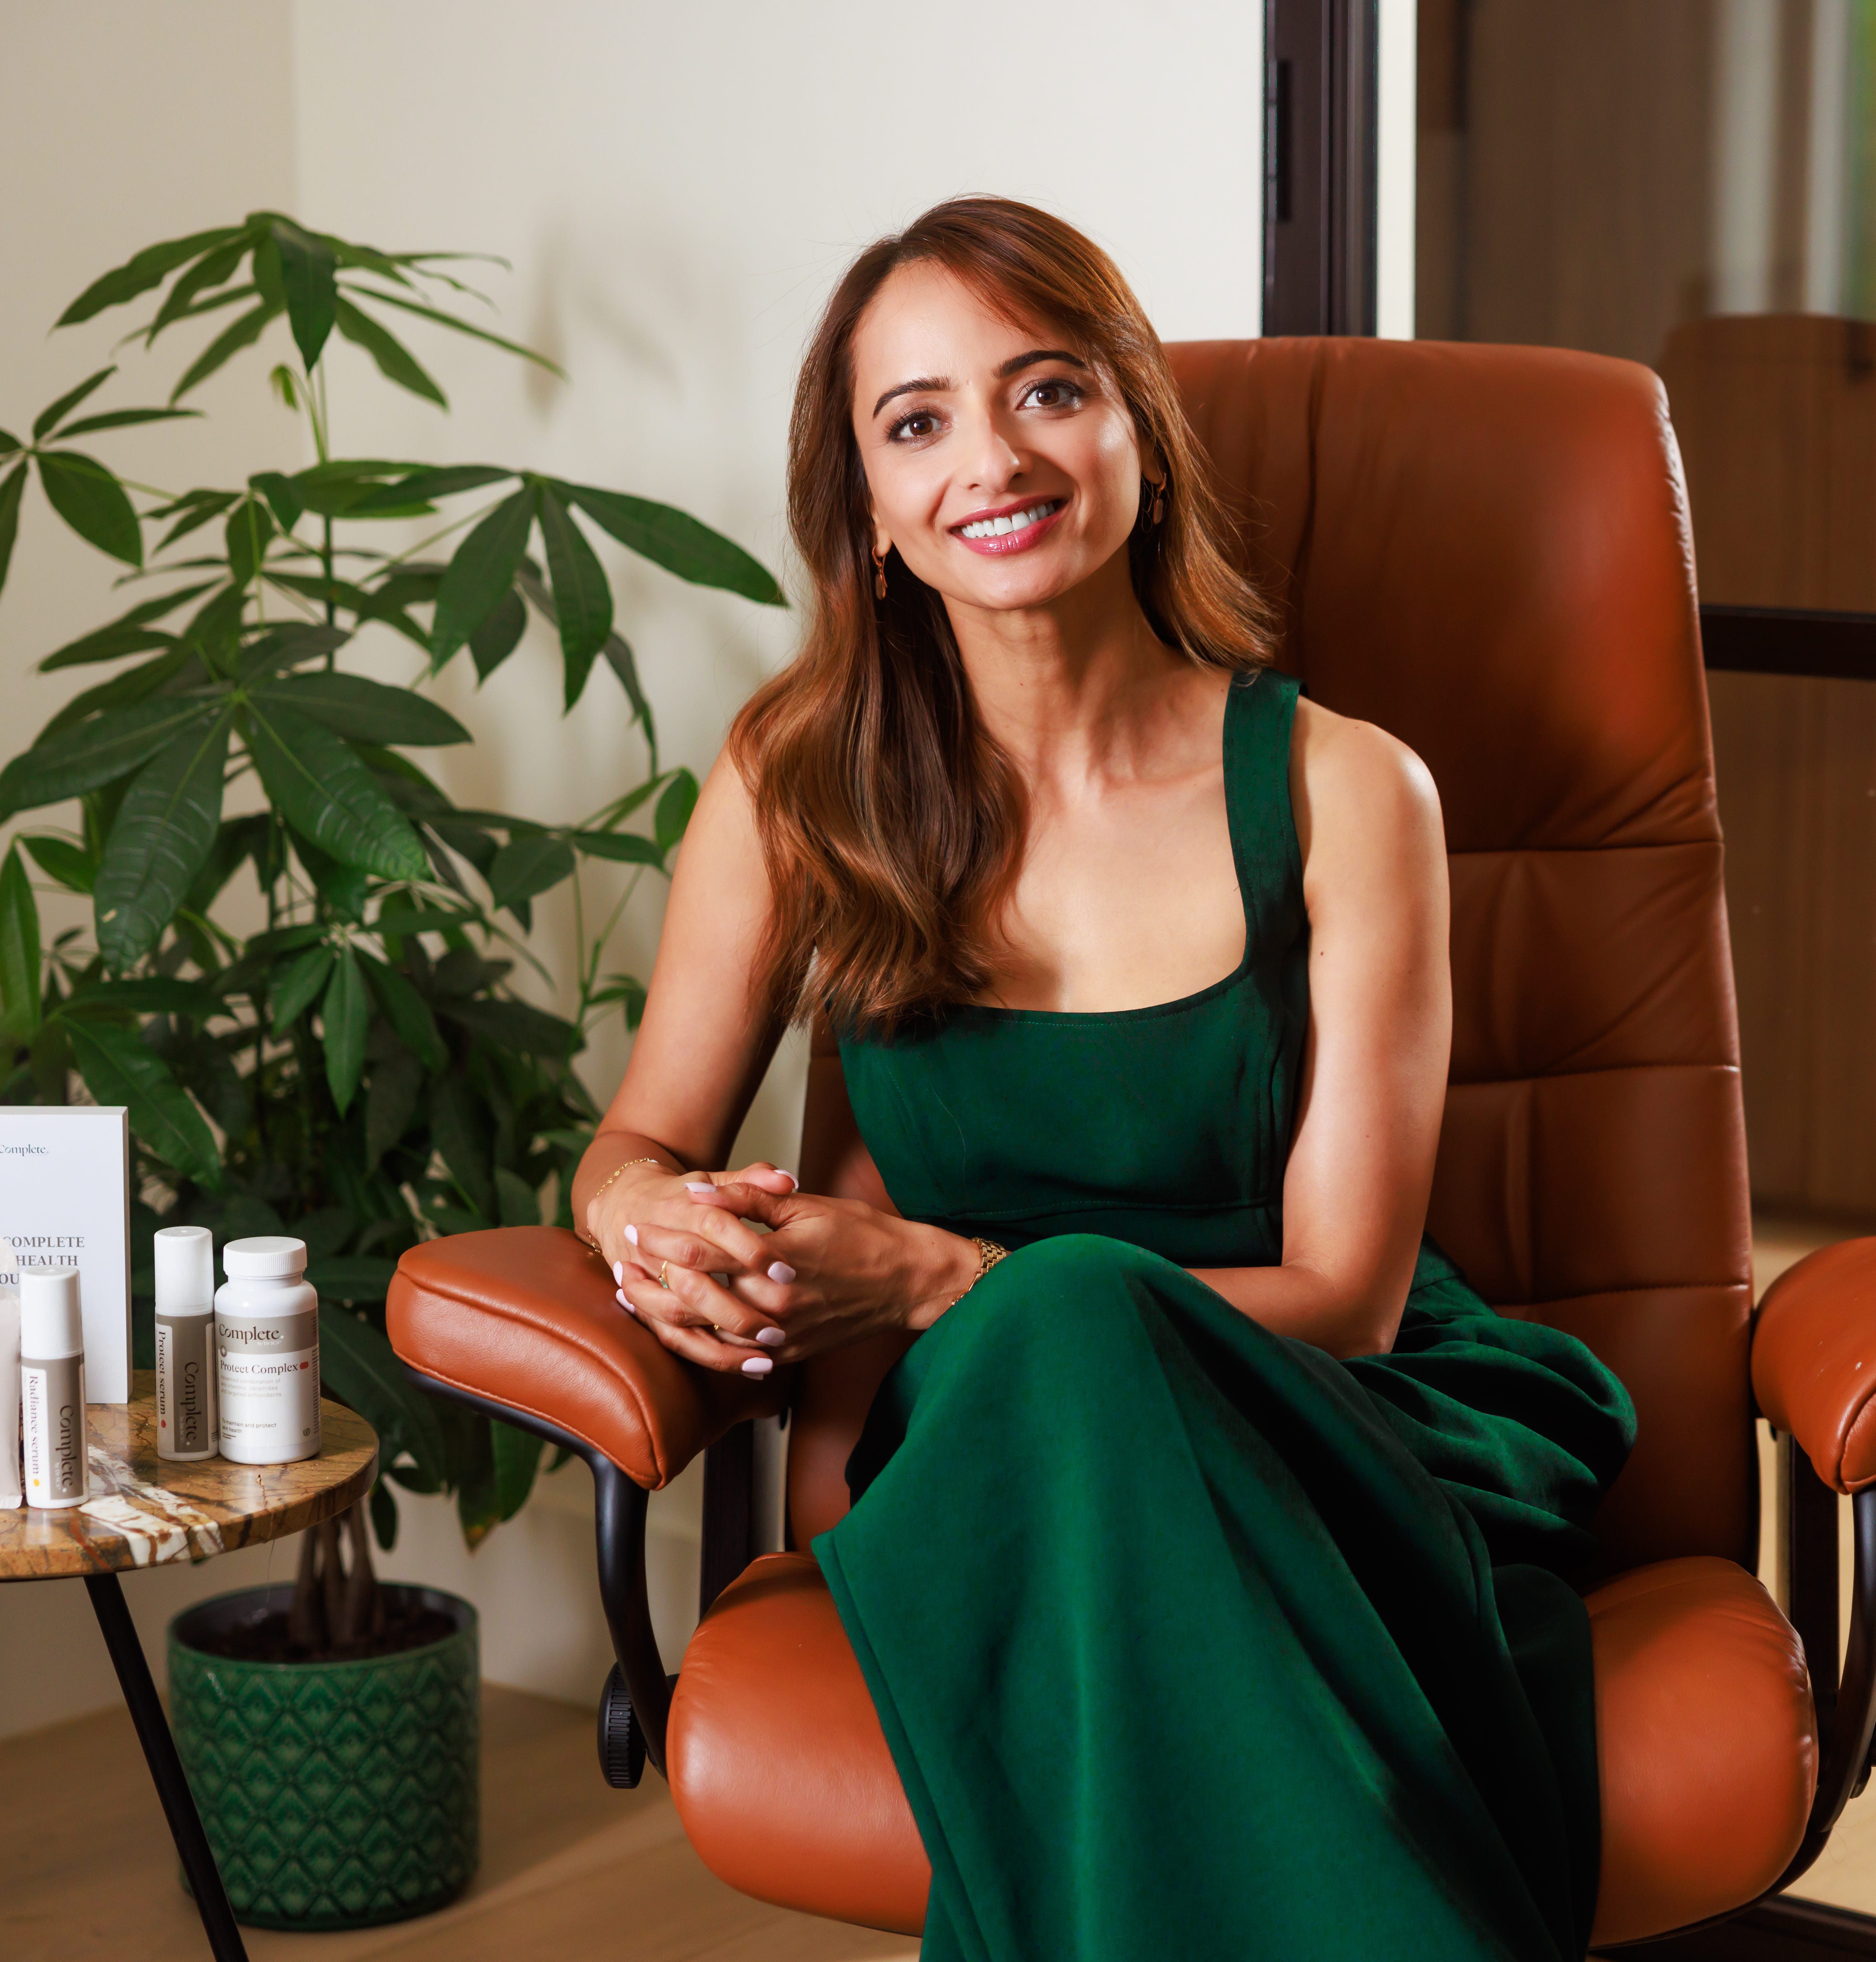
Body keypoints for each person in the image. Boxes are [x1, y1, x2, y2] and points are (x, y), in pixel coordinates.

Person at [568, 196, 1636, 1962]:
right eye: (915, 423)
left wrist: (937, 1273)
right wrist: (644, 1220)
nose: (989, 457)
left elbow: (1350, 1301)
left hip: (1325, 1421)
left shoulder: (1350, 790)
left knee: (1066, 1313)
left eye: (1044, 391)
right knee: (1053, 1351)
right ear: (876, 521)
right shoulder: (793, 782)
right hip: (987, 1452)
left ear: (1135, 425)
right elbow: (635, 1141)